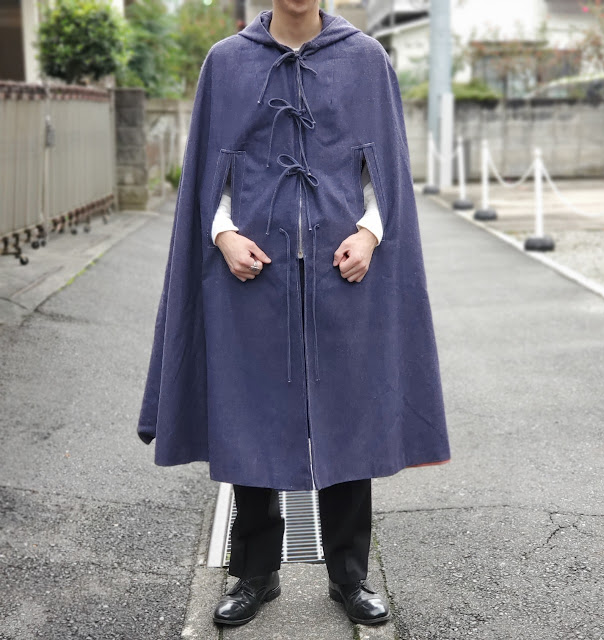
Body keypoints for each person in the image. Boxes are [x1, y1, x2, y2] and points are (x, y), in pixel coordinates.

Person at [136, 0, 451, 629]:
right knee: (249, 415)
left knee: (348, 416)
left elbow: (384, 171)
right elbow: (209, 173)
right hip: (253, 271)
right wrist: (224, 235)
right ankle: (255, 572)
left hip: (342, 272)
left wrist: (369, 234)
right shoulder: (227, 63)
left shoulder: (366, 60)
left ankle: (349, 575)